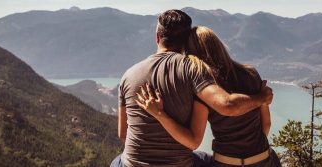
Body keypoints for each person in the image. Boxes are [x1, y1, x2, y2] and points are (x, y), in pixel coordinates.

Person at [112, 10, 274, 167]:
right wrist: (262, 98)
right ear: (185, 41)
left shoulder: (128, 75)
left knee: (117, 161)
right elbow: (199, 136)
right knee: (206, 159)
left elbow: (123, 134)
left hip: (130, 163)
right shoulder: (193, 70)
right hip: (181, 163)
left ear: (157, 37)